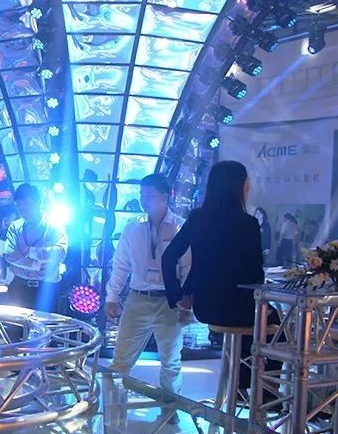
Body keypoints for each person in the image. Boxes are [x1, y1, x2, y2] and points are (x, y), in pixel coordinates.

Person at [162, 160, 274, 393]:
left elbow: (169, 256)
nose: (249, 187)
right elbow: (255, 273)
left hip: (205, 306)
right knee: (280, 325)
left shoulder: (198, 218)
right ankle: (260, 388)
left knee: (255, 319)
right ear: (237, 186)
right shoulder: (249, 224)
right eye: (246, 182)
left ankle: (240, 385)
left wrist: (179, 294)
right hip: (238, 308)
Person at [105, 174, 189, 395]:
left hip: (169, 301)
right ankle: (113, 408)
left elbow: (187, 268)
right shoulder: (133, 227)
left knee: (171, 363)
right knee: (120, 360)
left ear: (165, 197)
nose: (144, 201)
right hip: (138, 298)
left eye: (149, 196)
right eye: (142, 195)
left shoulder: (180, 227)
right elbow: (120, 264)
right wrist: (112, 297)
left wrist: (187, 306)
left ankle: (170, 408)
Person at [3, 184, 68, 312]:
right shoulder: (15, 226)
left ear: (38, 202)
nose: (23, 211)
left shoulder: (54, 225)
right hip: (20, 287)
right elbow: (10, 254)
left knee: (47, 323)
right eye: (19, 207)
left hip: (47, 289)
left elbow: (60, 252)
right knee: (15, 324)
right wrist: (36, 265)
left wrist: (30, 252)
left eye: (27, 205)